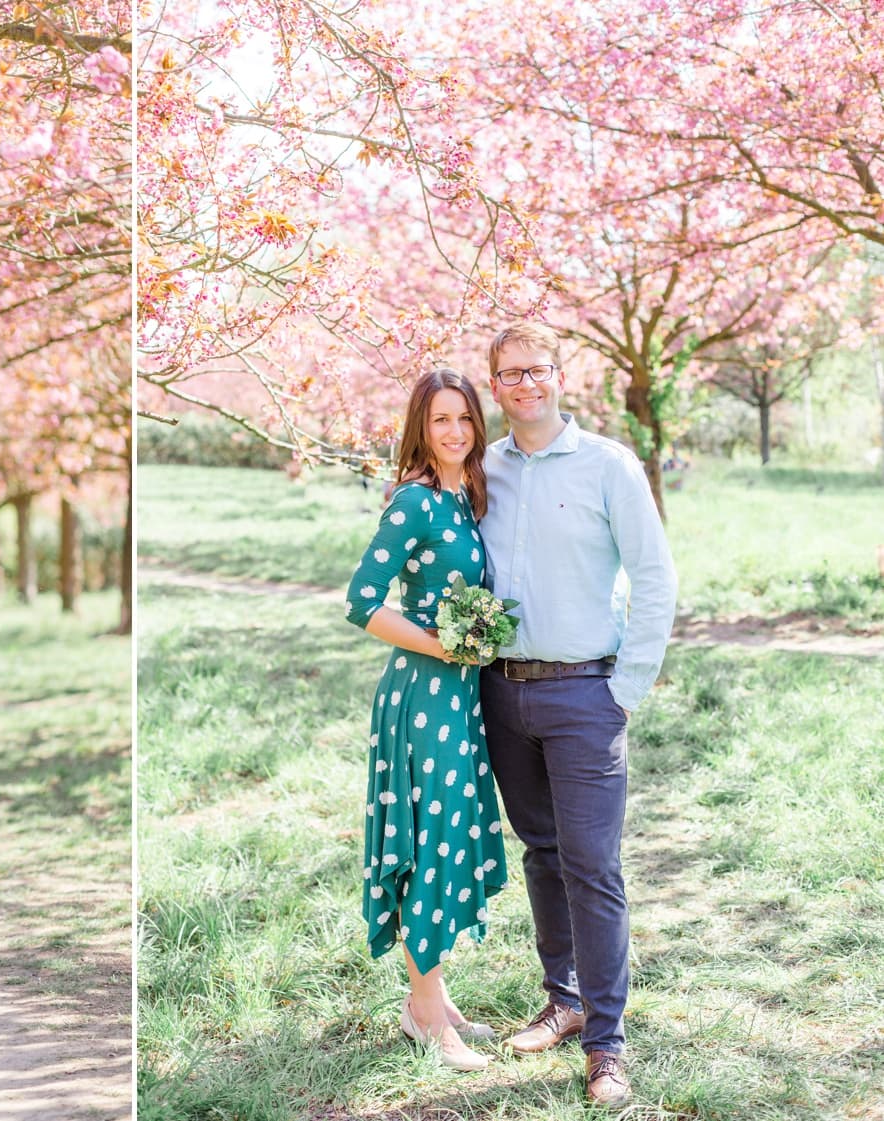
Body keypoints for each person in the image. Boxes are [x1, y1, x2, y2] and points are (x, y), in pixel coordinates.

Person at [478, 323, 677, 1106]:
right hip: (503, 692)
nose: (523, 383)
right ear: (492, 386)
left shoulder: (608, 465)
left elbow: (655, 574)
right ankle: (561, 998)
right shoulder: (483, 469)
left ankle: (607, 1045)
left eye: (535, 369)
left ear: (560, 375)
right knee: (540, 851)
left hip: (586, 693)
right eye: (506, 373)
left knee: (593, 867)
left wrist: (625, 687)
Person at [344, 368, 510, 1073]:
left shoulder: (464, 498)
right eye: (441, 420)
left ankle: (433, 993)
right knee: (432, 844)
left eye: (465, 419)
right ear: (421, 427)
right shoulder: (414, 501)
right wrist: (444, 644)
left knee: (450, 833)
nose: (455, 432)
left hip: (460, 696)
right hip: (421, 698)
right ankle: (423, 1013)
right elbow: (361, 601)